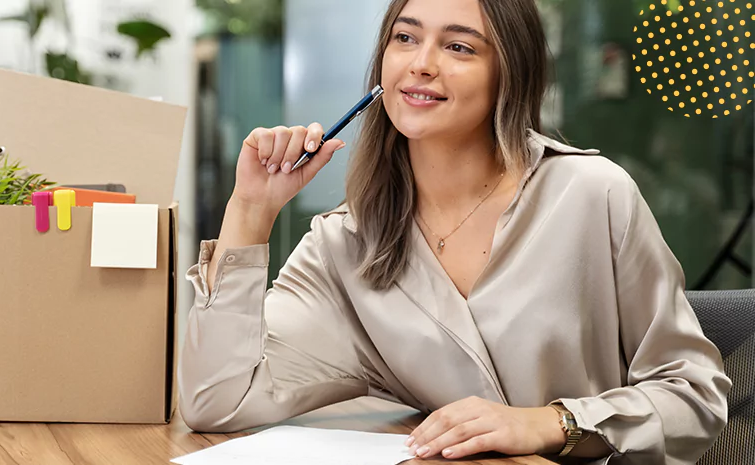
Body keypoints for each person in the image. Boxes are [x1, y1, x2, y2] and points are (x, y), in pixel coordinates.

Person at [177, 0, 731, 463]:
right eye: (405, 38)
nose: (421, 64)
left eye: (459, 46)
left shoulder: (591, 193)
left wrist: (551, 423)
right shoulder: (345, 244)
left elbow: (695, 397)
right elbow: (219, 400)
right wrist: (250, 209)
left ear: (508, 72)